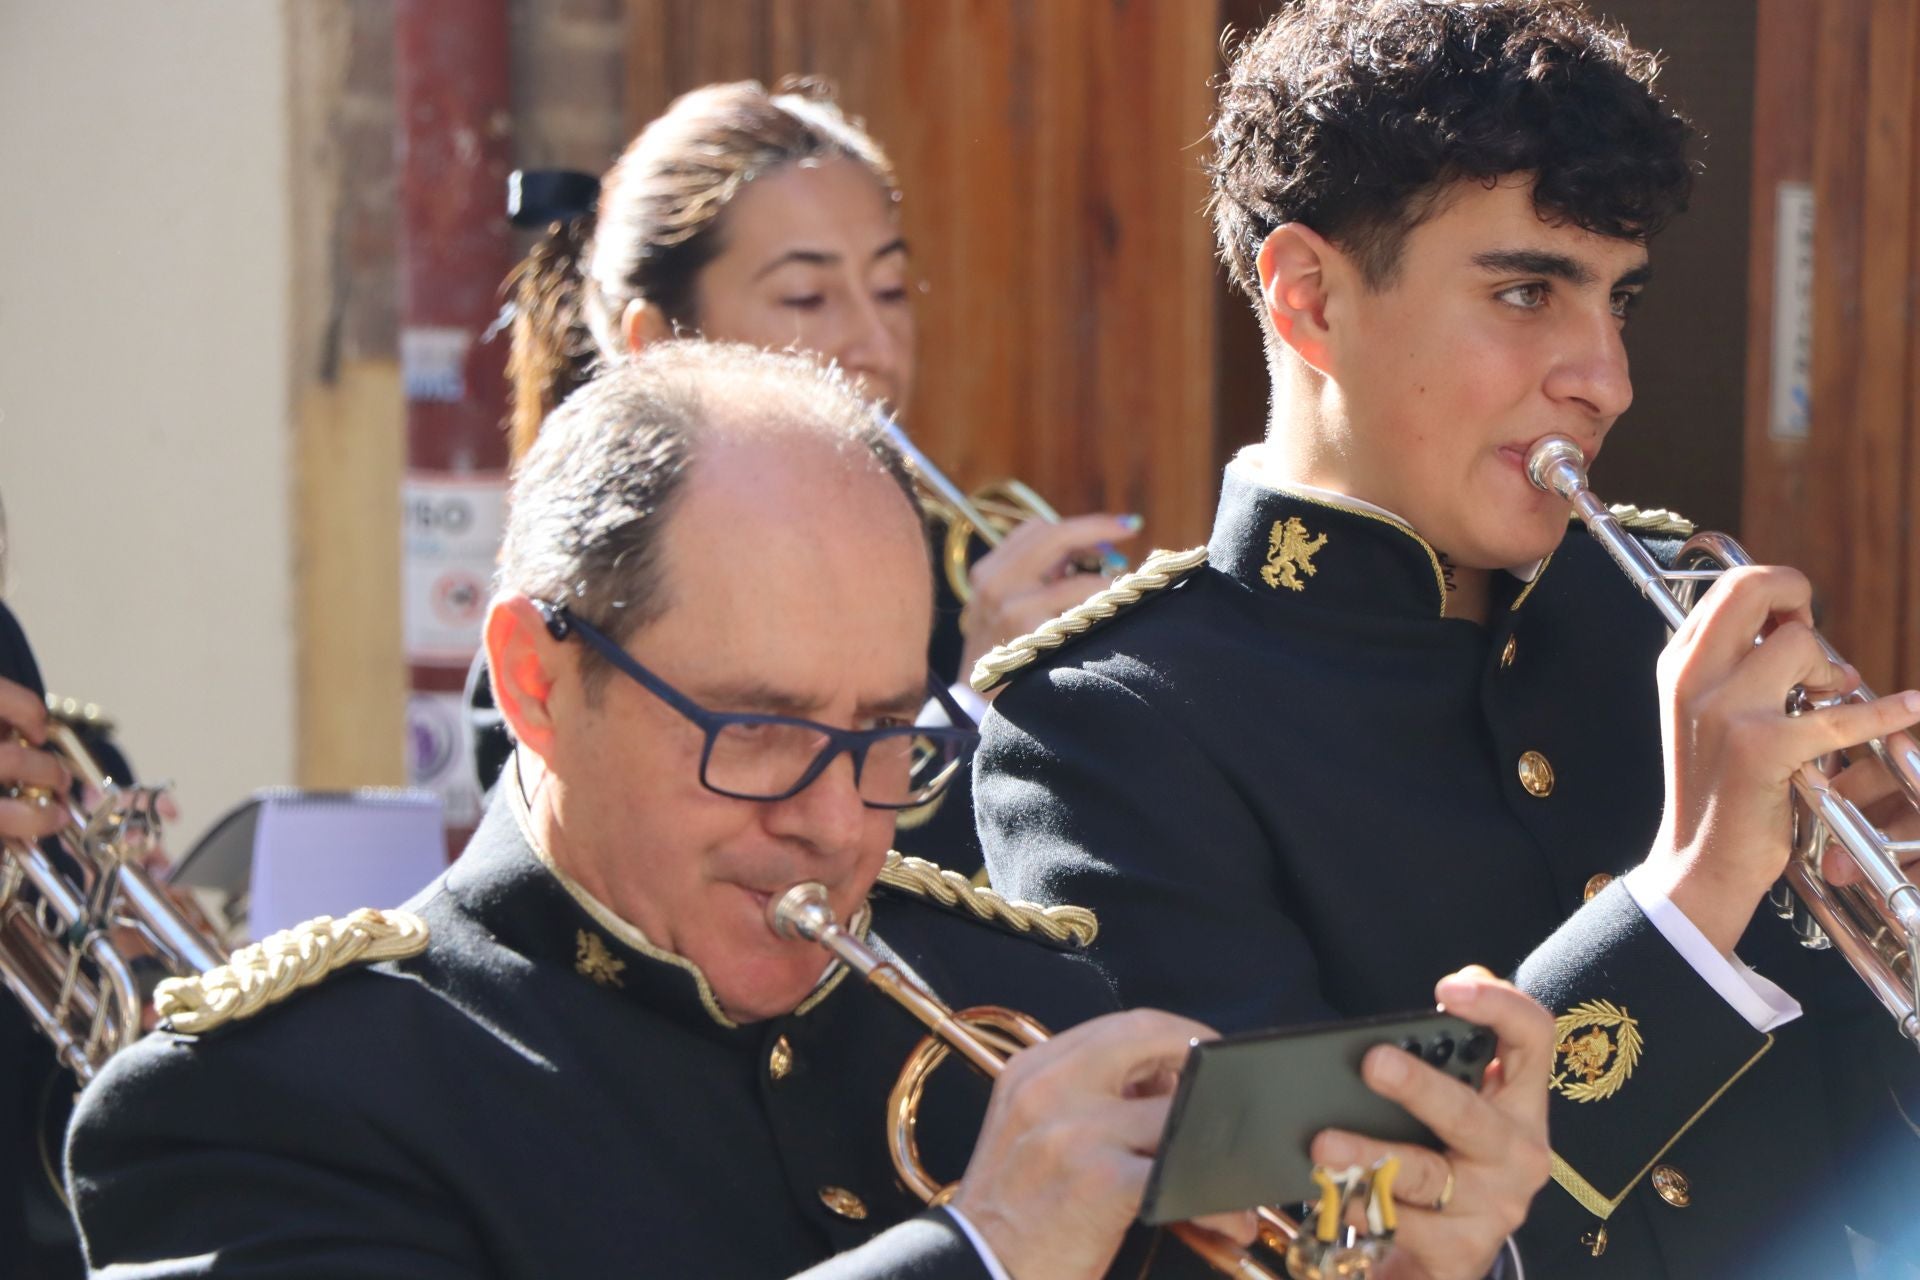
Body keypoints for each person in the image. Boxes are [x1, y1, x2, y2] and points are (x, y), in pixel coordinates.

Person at [63, 344, 1552, 1280]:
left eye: (884, 735)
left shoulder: (1022, 1002)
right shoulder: (269, 1101)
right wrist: (981, 1254)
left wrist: (1426, 1265)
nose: (842, 826)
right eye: (763, 731)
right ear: (533, 680)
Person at [973, 3, 1920, 1277]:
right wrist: (1687, 902)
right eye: (1527, 290)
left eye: (1617, 298)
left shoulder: (1672, 605)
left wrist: (1881, 912)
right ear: (1310, 299)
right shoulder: (1101, 722)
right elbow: (1282, 1230)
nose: (1606, 376)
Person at [478, 79, 1140, 867]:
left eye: (891, 289)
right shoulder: (571, 611)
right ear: (656, 340)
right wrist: (970, 709)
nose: (873, 340)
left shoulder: (955, 579)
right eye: (806, 296)